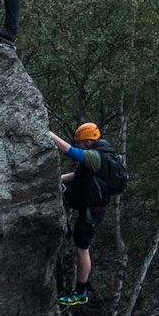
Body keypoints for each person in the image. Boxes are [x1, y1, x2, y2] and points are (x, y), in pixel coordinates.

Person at [47, 123, 122, 307]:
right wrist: (60, 178)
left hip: (92, 211)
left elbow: (71, 152)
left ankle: (81, 293)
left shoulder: (96, 156)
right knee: (63, 192)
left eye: (81, 142)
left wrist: (50, 135)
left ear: (88, 141)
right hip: (90, 203)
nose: (79, 145)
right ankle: (64, 226)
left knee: (82, 248)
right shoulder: (103, 152)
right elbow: (81, 174)